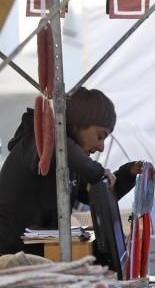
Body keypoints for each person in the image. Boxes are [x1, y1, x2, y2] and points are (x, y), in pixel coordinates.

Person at [0, 88, 142, 256]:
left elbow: (95, 192)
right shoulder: (37, 142)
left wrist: (129, 173)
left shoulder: (69, 163)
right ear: (78, 124)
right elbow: (58, 145)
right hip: (8, 258)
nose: (101, 147)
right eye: (100, 136)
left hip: (35, 258)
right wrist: (98, 172)